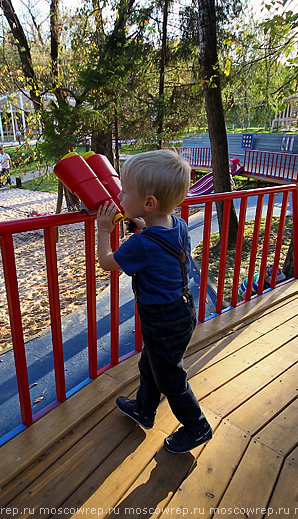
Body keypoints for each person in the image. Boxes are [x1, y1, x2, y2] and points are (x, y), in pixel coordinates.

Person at [96, 149, 212, 455]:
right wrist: (141, 225)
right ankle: (144, 410)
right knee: (151, 364)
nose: (119, 195)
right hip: (180, 310)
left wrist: (103, 230)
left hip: (161, 319)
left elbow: (108, 263)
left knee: (171, 377)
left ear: (148, 203)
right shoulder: (177, 224)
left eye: (125, 191)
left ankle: (197, 426)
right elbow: (156, 239)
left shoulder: (142, 243)